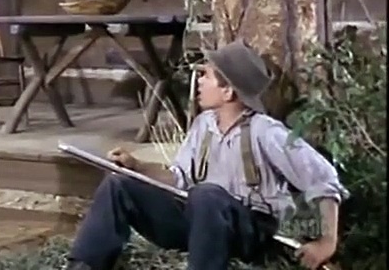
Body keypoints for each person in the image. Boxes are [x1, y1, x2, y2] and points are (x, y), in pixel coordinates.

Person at [66, 39, 349, 270]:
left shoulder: (266, 132)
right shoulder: (203, 125)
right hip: (199, 224)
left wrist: (327, 242)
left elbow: (324, 180)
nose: (199, 81)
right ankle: (84, 265)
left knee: (207, 194)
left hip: (248, 230)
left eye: (207, 76)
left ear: (228, 92)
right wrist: (136, 166)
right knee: (119, 185)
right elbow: (179, 178)